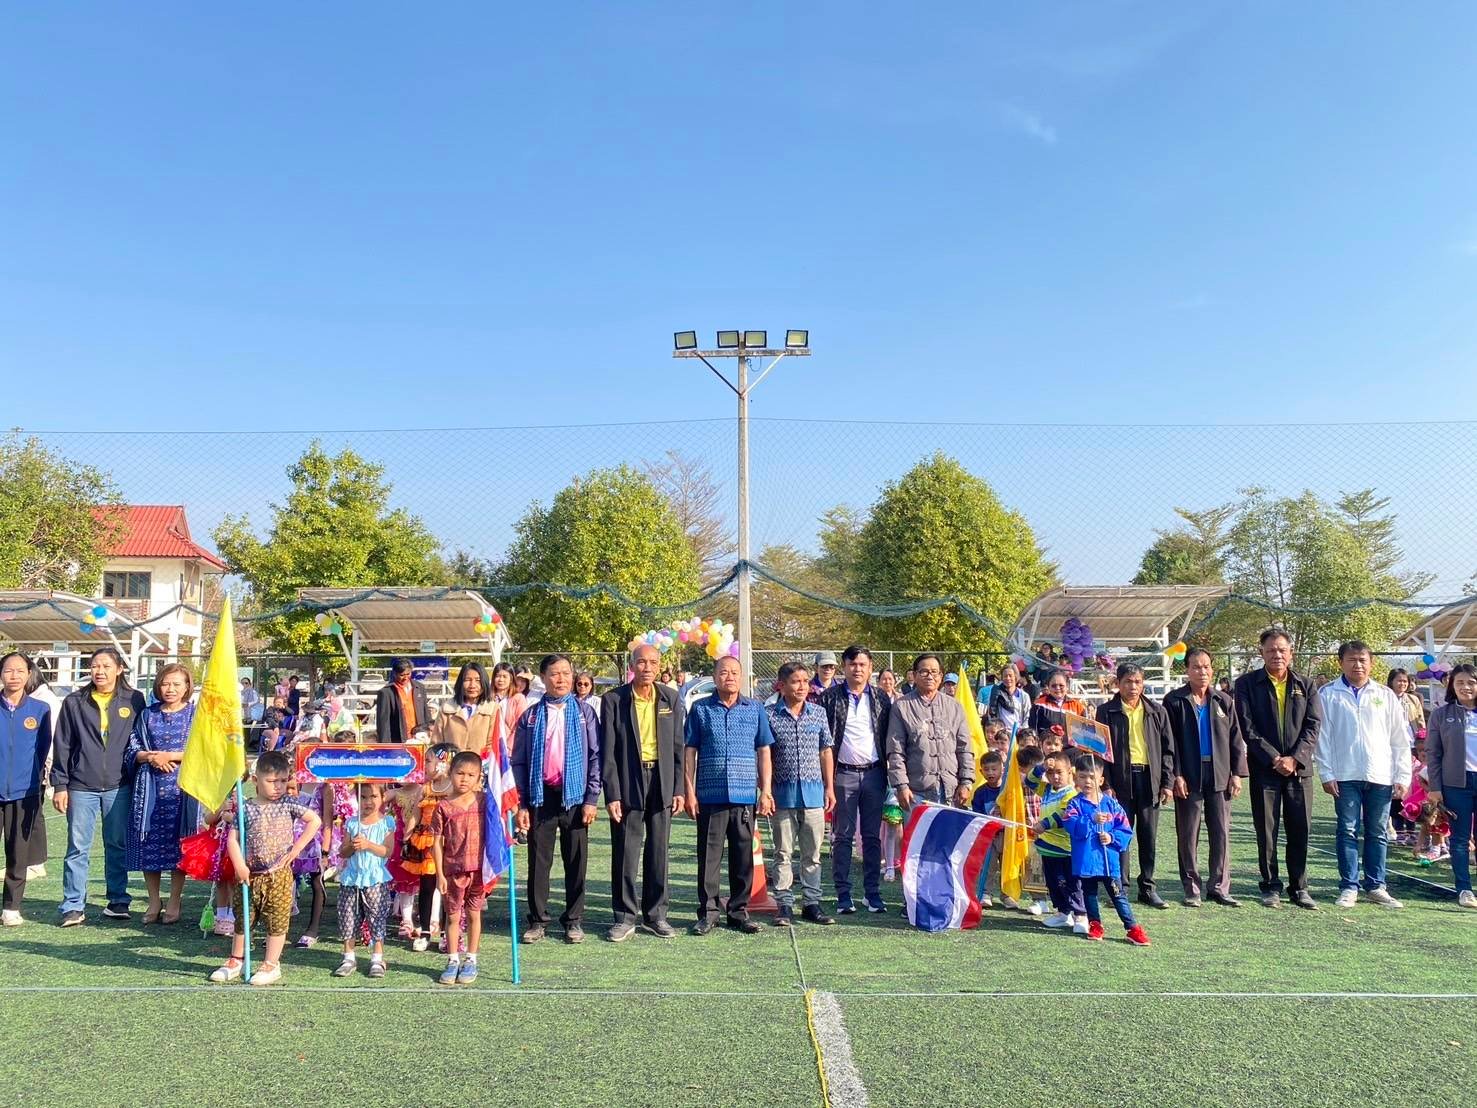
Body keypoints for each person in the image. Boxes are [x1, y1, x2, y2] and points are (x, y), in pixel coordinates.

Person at [208, 750, 323, 986]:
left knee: (276, 919)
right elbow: (233, 839)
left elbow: (315, 820)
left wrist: (296, 849)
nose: (278, 786)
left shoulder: (288, 803)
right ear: (255, 780)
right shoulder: (247, 808)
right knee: (244, 917)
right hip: (250, 875)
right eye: (271, 781)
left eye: (282, 781)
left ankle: (271, 963)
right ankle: (236, 960)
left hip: (278, 874)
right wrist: (239, 865)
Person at [51, 647, 148, 925]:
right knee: (77, 847)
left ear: (119, 669)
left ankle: (118, 900)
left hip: (120, 784)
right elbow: (63, 744)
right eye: (95, 666)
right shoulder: (74, 701)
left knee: (116, 844)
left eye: (106, 666)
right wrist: (60, 784)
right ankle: (73, 905)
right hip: (81, 785)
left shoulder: (134, 699)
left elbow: (141, 738)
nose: (100, 671)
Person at [512, 654, 601, 945]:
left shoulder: (585, 713)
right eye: (554, 673)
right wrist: (522, 803)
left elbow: (595, 757)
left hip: (575, 797)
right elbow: (519, 761)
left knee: (576, 861)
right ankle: (538, 920)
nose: (561, 679)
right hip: (541, 797)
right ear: (543, 678)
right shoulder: (531, 716)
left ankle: (573, 920)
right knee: (539, 862)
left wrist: (591, 798)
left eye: (566, 673)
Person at [1315, 641, 1413, 909]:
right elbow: (1323, 738)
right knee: (1347, 830)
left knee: (1378, 832)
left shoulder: (1385, 694)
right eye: (1351, 660)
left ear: (1371, 663)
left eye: (1362, 660)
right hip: (1345, 775)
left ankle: (1376, 886)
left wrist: (1402, 775)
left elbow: (1399, 739)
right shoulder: (1328, 694)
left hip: (1380, 775)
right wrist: (1326, 773)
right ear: (1341, 663)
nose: (1357, 665)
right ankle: (1349, 886)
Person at [600, 643, 686, 941]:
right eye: (641, 662)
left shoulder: (670, 698)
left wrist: (678, 788)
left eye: (652, 663)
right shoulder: (613, 700)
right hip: (628, 781)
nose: (647, 668)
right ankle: (624, 917)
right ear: (632, 665)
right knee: (626, 851)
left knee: (658, 851)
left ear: (659, 666)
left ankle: (656, 916)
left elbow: (678, 747)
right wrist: (612, 793)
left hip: (661, 780)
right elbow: (608, 751)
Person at [683, 655, 775, 935]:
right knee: (708, 858)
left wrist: (766, 791)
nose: (730, 677)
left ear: (742, 676)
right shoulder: (700, 709)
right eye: (724, 672)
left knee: (742, 858)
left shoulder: (755, 708)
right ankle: (708, 913)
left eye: (735, 672)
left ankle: (738, 912)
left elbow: (764, 750)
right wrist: (689, 791)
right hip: (709, 795)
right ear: (715, 676)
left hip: (745, 795)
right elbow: (689, 750)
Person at [1234, 627, 1323, 910]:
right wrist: (1274, 758)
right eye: (1271, 650)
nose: (1277, 655)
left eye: (1282, 650)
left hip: (1299, 771)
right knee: (1266, 831)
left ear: (1291, 653)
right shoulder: (1247, 684)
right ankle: (1270, 886)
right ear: (1261, 652)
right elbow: (1247, 727)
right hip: (1265, 770)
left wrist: (1294, 759)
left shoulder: (1306, 685)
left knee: (1300, 830)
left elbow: (1313, 725)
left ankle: (1299, 887)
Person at [1163, 648, 1246, 907]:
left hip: (1219, 774)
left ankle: (1219, 887)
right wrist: (1176, 774)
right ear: (1187, 670)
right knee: (1188, 834)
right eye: (1196, 667)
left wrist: (1237, 773)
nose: (1202, 671)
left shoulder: (1223, 700)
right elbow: (1169, 742)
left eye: (1207, 666)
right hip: (1188, 775)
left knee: (1221, 832)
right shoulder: (1174, 701)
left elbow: (1235, 738)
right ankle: (1192, 888)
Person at [818, 645, 892, 915]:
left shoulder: (882, 698)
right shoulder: (829, 698)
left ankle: (872, 894)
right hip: (843, 775)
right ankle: (843, 894)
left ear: (870, 668)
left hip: (874, 774)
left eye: (862, 664)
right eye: (852, 664)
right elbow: (823, 741)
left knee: (872, 837)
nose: (857, 669)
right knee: (842, 836)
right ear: (844, 667)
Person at [1095, 662, 1174, 909]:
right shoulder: (1106, 712)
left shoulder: (1157, 711)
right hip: (1120, 782)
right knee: (1121, 837)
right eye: (1128, 681)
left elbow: (1168, 750)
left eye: (1137, 681)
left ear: (1143, 684)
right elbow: (1100, 751)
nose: (1133, 686)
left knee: (1148, 836)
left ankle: (1147, 888)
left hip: (1149, 780)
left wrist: (1167, 782)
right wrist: (1106, 784)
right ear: (1118, 684)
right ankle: (1121, 887)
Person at [123, 663, 196, 925]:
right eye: (166, 683)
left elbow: (204, 750)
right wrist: (151, 757)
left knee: (179, 846)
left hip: (182, 790)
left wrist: (170, 756)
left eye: (177, 684)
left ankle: (175, 900)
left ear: (187, 687)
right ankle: (154, 901)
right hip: (149, 789)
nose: (170, 689)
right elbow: (132, 749)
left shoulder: (195, 715)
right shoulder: (147, 715)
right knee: (148, 845)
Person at [765, 662, 836, 926]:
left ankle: (811, 903)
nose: (802, 686)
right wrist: (766, 790)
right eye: (796, 681)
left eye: (805, 681)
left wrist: (829, 787)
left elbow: (825, 751)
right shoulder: (769, 715)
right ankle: (784, 904)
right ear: (781, 686)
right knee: (783, 852)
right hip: (782, 795)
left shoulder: (818, 713)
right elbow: (764, 755)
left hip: (814, 795)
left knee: (813, 853)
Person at [1059, 755, 1150, 945]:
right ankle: (1095, 925)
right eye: (1082, 777)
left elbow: (1125, 829)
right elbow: (1070, 825)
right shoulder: (1074, 804)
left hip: (1109, 862)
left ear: (1100, 780)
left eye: (1092, 777)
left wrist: (1111, 838)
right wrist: (1090, 818)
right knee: (1090, 895)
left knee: (1118, 895)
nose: (1087, 781)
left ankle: (1132, 928)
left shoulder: (1111, 804)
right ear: (1076, 779)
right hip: (1086, 861)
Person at [886, 653, 973, 815]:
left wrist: (966, 782)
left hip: (951, 791)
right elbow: (896, 751)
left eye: (934, 672)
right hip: (916, 792)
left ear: (941, 676)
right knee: (917, 833)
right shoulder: (901, 707)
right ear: (915, 675)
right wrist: (901, 785)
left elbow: (965, 748)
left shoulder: (955, 707)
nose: (930, 676)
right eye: (924, 672)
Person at [0, 653, 52, 925]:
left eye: (20, 670)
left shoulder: (40, 709)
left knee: (18, 853)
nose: (14, 676)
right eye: (9, 670)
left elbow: (42, 749)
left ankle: (11, 907)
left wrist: (33, 780)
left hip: (25, 792)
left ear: (29, 674)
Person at [430, 751, 487, 984]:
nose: (464, 779)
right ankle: (453, 959)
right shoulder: (443, 806)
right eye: (460, 773)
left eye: (471, 775)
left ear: (479, 777)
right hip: (453, 870)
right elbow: (436, 842)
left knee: (474, 914)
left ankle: (471, 959)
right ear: (450, 773)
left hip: (479, 869)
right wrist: (440, 874)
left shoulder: (484, 801)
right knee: (453, 916)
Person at [1424, 664, 1477, 908]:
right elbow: (1433, 753)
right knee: (1459, 839)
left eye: (1471, 682)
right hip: (1456, 784)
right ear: (1452, 686)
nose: (1466, 687)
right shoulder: (1441, 714)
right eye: (1460, 683)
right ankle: (1464, 889)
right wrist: (1435, 787)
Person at [333, 781, 396, 979]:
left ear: (383, 798)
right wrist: (352, 846)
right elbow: (342, 852)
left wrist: (368, 844)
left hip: (375, 877)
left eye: (373, 796)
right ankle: (348, 957)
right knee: (348, 916)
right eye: (363, 797)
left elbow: (387, 851)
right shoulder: (352, 823)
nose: (368, 801)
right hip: (352, 877)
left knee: (376, 916)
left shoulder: (386, 822)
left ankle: (377, 958)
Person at [1030, 749, 1087, 933]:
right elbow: (1029, 781)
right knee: (1053, 883)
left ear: (1070, 772)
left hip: (1066, 849)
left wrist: (1044, 824)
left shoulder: (1071, 794)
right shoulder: (1046, 790)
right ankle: (1063, 913)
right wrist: (1041, 768)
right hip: (1047, 847)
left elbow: (1064, 815)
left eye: (1059, 772)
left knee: (1072, 883)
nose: (1055, 777)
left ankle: (1080, 914)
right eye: (1050, 773)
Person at [429, 663, 497, 754]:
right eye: (467, 680)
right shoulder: (447, 709)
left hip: (482, 762)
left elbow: (493, 744)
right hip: (452, 762)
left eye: (478, 680)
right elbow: (437, 743)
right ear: (460, 682)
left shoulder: (492, 709)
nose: (472, 685)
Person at [374, 659, 430, 745]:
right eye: (402, 675)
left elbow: (426, 713)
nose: (405, 678)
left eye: (408, 674)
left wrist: (429, 733)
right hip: (398, 738)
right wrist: (385, 745)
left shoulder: (419, 687)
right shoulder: (386, 692)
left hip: (420, 737)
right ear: (395, 674)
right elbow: (383, 722)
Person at [1028, 670, 1088, 736]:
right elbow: (1033, 730)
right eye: (1053, 686)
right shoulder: (1039, 705)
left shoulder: (1078, 706)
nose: (1057, 688)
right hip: (1046, 742)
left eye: (1061, 685)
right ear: (1048, 687)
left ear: (1067, 687)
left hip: (1070, 743)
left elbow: (1085, 733)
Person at [986, 665, 1032, 733]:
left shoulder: (1024, 696)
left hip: (1018, 733)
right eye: (1005, 676)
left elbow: (1027, 716)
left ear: (1015, 677)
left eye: (1010, 676)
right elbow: (991, 713)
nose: (1008, 678)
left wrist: (1021, 731)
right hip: (1001, 734)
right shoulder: (996, 694)